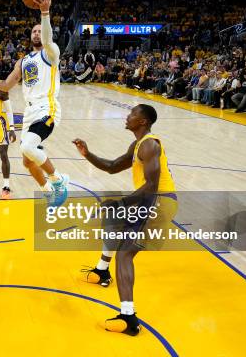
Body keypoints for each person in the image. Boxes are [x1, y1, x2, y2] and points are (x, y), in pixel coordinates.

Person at [73, 104, 177, 336]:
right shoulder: (138, 144)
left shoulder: (150, 144)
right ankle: (102, 272)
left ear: (142, 122)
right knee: (111, 219)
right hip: (149, 199)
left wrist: (122, 203)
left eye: (132, 114)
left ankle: (129, 318)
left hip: (159, 202)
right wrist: (87, 154)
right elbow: (111, 167)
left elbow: (151, 186)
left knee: (126, 253)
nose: (127, 116)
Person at [0, 0, 69, 207]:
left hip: (47, 108)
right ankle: (48, 191)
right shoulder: (23, 61)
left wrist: (45, 13)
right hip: (30, 112)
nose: (36, 34)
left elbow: (47, 37)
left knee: (27, 148)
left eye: (38, 31)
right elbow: (6, 85)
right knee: (27, 161)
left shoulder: (51, 53)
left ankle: (59, 181)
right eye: (33, 31)